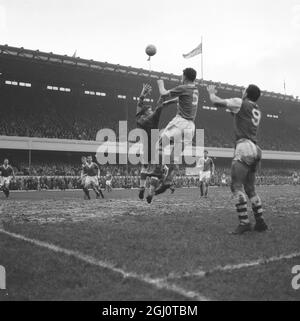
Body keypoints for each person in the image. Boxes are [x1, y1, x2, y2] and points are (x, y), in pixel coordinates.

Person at [207, 84, 268, 234]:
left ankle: (244, 222)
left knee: (236, 186)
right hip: (256, 149)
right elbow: (237, 115)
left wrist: (211, 93)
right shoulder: (256, 109)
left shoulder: (241, 102)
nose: (242, 91)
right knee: (250, 188)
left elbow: (216, 102)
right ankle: (260, 222)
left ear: (246, 93)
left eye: (244, 90)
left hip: (244, 147)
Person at [147, 68, 199, 203]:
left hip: (180, 122)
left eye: (182, 76)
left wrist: (160, 82)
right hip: (191, 127)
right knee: (174, 156)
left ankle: (158, 170)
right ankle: (168, 180)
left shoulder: (183, 87)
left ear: (185, 77)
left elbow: (164, 93)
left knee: (159, 143)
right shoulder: (195, 90)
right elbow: (181, 98)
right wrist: (169, 103)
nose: (181, 77)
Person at [135, 83, 176, 201]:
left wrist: (142, 93)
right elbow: (160, 105)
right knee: (157, 172)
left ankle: (142, 188)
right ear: (147, 112)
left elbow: (139, 104)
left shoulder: (138, 118)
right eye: (150, 109)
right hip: (154, 148)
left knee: (144, 167)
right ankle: (151, 192)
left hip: (144, 147)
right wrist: (169, 99)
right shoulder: (152, 118)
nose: (151, 110)